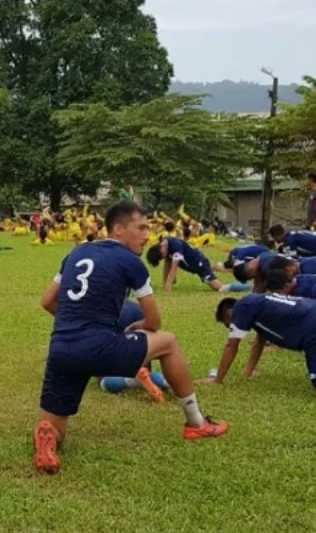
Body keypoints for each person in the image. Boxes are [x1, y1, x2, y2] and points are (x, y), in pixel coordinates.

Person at [33, 201, 228, 475]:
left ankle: (48, 440)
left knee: (57, 427)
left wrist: (76, 323)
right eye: (141, 227)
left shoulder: (77, 253)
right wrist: (137, 325)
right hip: (100, 346)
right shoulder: (130, 262)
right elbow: (154, 322)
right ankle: (196, 424)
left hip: (61, 349)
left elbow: (47, 301)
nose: (147, 235)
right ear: (119, 228)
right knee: (168, 342)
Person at [211, 287, 316, 391]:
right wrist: (249, 371)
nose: (231, 327)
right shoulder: (257, 306)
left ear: (230, 313)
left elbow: (231, 346)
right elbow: (260, 341)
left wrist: (217, 380)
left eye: (227, 324)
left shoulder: (242, 308)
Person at [97, 301, 169, 402]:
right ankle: (168, 382)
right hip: (137, 312)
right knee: (145, 370)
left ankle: (132, 380)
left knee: (102, 380)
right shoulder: (136, 305)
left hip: (111, 316)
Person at [146, 237, 250, 293]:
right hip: (195, 266)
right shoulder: (166, 246)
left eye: (162, 255)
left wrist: (167, 288)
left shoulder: (175, 245)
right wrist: (165, 283)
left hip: (200, 264)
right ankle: (226, 269)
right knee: (216, 278)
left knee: (220, 288)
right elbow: (167, 264)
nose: (163, 257)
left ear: (161, 247)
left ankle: (250, 287)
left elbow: (173, 268)